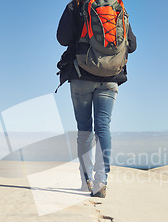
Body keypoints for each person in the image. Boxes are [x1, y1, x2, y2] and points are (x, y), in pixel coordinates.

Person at [57, 0, 137, 198]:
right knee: (103, 127)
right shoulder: (118, 6)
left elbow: (62, 38)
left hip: (81, 74)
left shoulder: (76, 5)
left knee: (84, 128)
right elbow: (132, 45)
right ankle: (101, 181)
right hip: (110, 78)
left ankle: (86, 180)